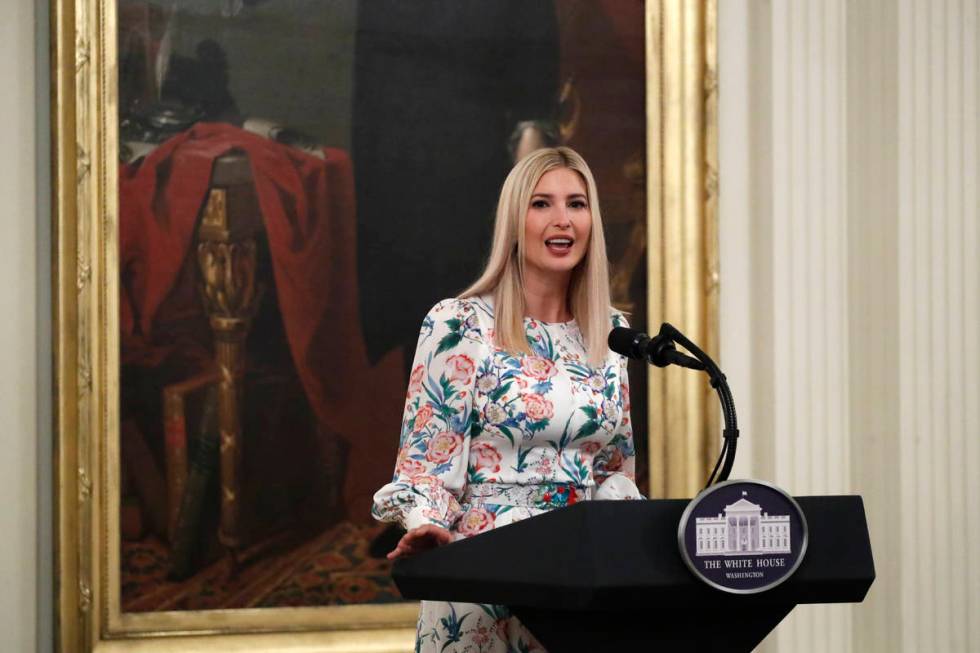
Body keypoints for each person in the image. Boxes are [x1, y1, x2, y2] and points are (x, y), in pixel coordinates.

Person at [371, 147, 642, 652]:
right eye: (542, 204)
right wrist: (427, 525)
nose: (562, 220)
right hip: (483, 576)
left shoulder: (613, 332)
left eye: (576, 204)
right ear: (514, 220)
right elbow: (426, 463)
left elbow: (614, 472)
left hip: (580, 586)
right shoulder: (459, 323)